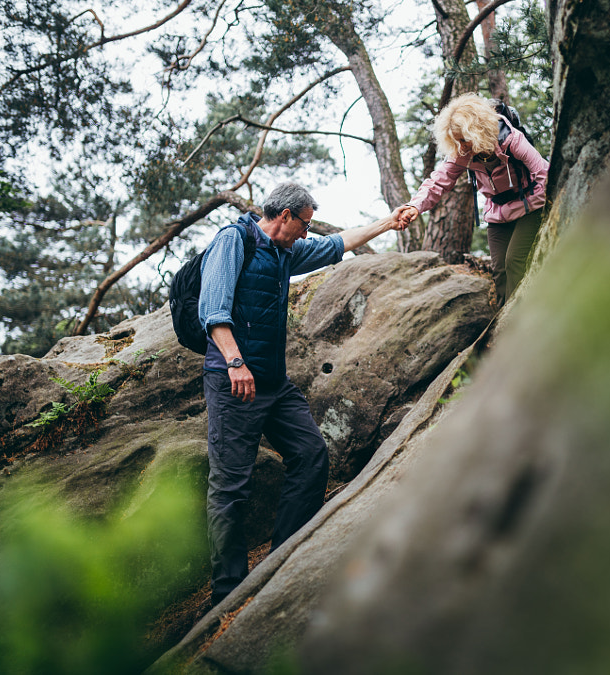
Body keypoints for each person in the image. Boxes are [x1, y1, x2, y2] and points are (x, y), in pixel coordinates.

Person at [198, 181, 408, 606]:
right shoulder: (233, 240)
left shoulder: (285, 252)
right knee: (231, 487)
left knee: (311, 455)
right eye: (304, 224)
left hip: (273, 384)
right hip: (233, 381)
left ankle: (282, 560)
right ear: (285, 216)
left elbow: (337, 244)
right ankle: (228, 591)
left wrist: (389, 222)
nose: (307, 233)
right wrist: (236, 363)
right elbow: (213, 309)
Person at [397, 93, 549, 304]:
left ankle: (522, 319)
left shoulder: (511, 139)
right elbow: (438, 182)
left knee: (514, 261)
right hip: (498, 213)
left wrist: (544, 203)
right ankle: (503, 322)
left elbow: (543, 172)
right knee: (500, 270)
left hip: (530, 206)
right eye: (455, 141)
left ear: (478, 132)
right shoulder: (461, 153)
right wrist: (414, 206)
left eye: (463, 140)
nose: (460, 147)